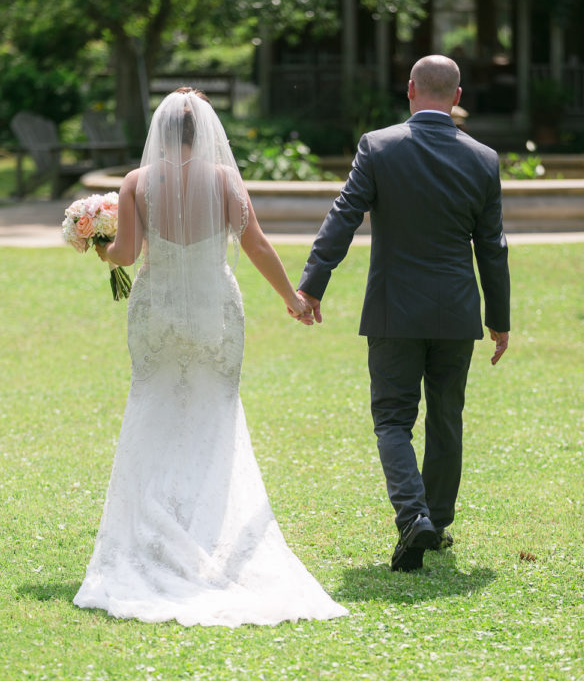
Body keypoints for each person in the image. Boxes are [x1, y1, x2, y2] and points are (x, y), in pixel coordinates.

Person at [73, 88, 346, 626]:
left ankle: (154, 529)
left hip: (157, 314)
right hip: (215, 315)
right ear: (202, 135)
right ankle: (213, 531)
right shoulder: (223, 180)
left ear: (162, 133)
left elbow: (126, 255)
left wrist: (95, 243)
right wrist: (293, 297)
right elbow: (257, 244)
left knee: (153, 407)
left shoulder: (137, 183)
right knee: (216, 418)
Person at [297, 55, 510, 573]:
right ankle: (434, 520)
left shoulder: (378, 146)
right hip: (457, 310)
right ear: (457, 97)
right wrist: (499, 317)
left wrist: (313, 285)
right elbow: (493, 246)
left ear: (410, 89)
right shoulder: (484, 158)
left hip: (394, 308)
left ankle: (415, 518)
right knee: (446, 418)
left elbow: (343, 217)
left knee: (393, 419)